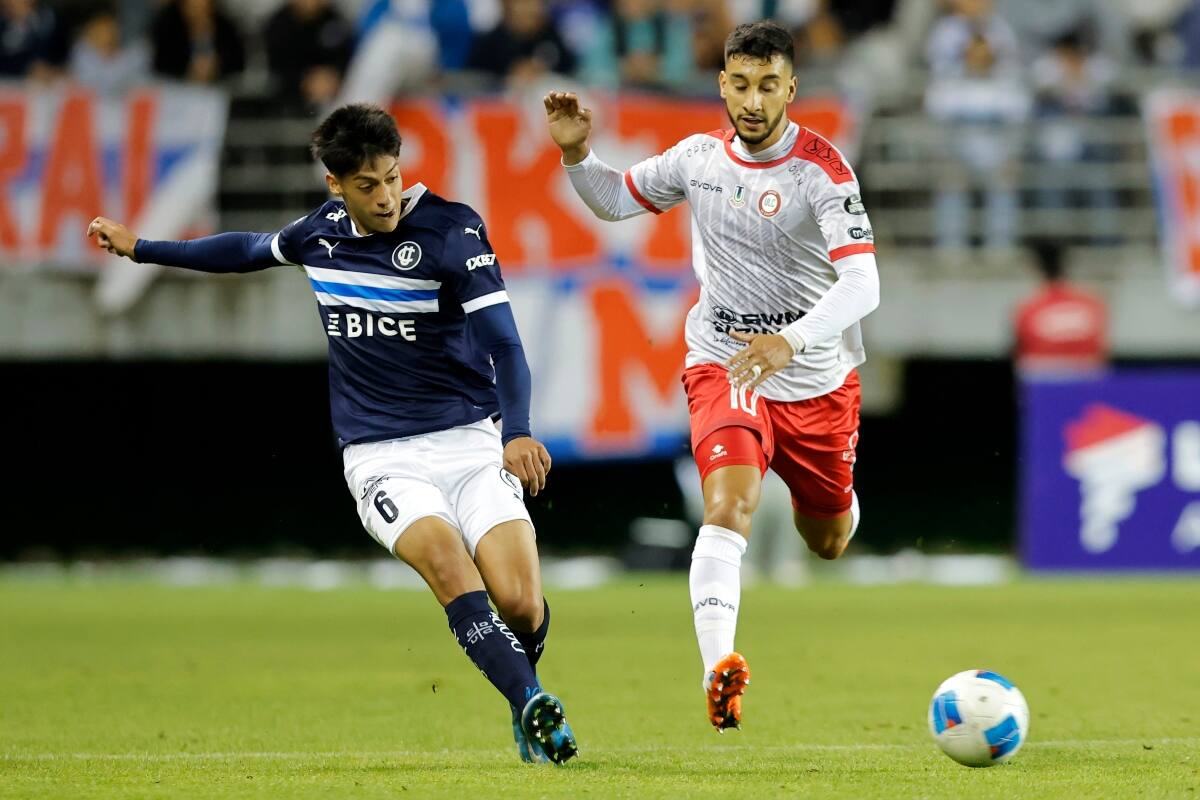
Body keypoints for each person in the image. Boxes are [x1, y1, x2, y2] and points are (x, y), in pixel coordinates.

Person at [87, 104, 577, 766]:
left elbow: (507, 348)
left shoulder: (454, 231)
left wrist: (517, 432)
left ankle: (527, 685)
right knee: (447, 565)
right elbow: (245, 250)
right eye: (368, 185)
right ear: (335, 186)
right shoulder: (321, 235)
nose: (386, 197)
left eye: (392, 177)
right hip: (381, 457)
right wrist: (143, 247)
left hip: (469, 440)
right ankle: (529, 704)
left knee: (520, 602)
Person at [545, 20, 880, 732]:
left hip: (816, 376)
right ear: (721, 82)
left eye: (767, 85)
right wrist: (578, 156)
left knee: (829, 539)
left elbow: (863, 285)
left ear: (791, 87)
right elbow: (614, 198)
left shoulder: (823, 171)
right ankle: (718, 670)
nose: (752, 100)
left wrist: (791, 341)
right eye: (739, 83)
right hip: (725, 362)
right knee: (728, 506)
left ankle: (839, 498)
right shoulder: (697, 159)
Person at [1013, 239, 1108, 378]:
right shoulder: (1091, 304)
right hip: (1086, 385)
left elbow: (1019, 353)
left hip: (1043, 387)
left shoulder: (1030, 308)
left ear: (1038, 268)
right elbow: (1101, 352)